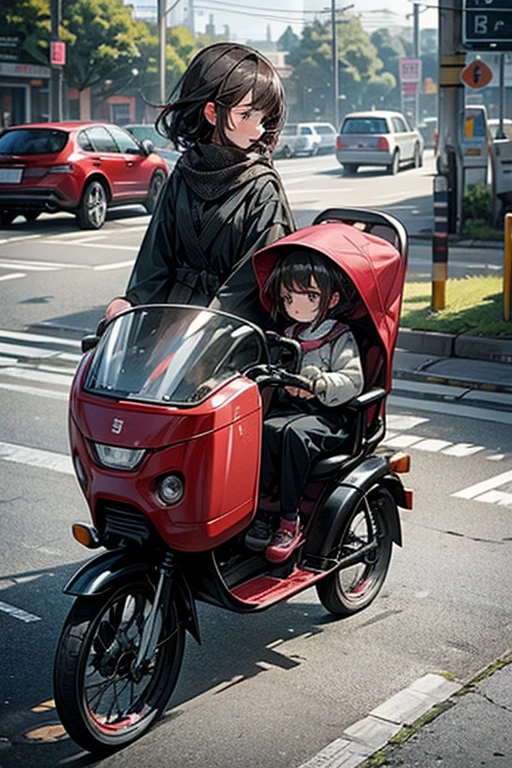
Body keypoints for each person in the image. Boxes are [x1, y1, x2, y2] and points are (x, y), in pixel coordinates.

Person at [105, 42, 295, 324]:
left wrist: (206, 324)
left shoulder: (262, 187)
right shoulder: (183, 171)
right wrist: (132, 300)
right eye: (247, 114)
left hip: (231, 330)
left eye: (263, 117)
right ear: (211, 113)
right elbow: (156, 258)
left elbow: (257, 280)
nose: (258, 128)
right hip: (170, 319)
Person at [244, 249, 364, 563]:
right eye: (287, 298)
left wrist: (321, 384)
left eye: (308, 295)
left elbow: (353, 379)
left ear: (332, 299)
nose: (295, 305)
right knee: (267, 430)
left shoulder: (339, 336)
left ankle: (288, 519)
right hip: (290, 412)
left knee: (294, 436)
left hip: (330, 417)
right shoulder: (287, 335)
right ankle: (263, 511)